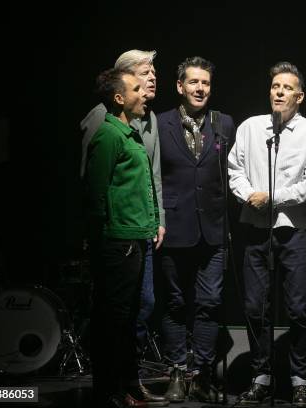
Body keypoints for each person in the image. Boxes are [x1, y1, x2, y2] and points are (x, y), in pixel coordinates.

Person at [228, 61, 306, 407]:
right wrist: (248, 195)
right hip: (256, 229)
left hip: (294, 231)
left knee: (298, 308)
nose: (279, 92)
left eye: (287, 88)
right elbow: (234, 169)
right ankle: (261, 375)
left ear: (300, 96)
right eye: (275, 87)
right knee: (256, 308)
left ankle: (300, 379)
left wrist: (272, 197)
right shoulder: (251, 127)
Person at [80, 50, 166, 386]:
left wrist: (158, 218)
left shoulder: (149, 117)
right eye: (145, 72)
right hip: (118, 234)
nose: (152, 78)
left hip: (141, 228)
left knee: (142, 304)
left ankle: (129, 374)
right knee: (117, 309)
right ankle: (114, 378)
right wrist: (98, 231)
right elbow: (92, 181)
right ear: (123, 83)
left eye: (154, 71)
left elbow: (152, 175)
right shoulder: (102, 120)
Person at [156, 56, 235, 403]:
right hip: (173, 229)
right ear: (180, 86)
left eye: (205, 82)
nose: (200, 88)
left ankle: (201, 374)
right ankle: (175, 371)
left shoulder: (224, 123)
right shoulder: (159, 124)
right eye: (193, 82)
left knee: (209, 304)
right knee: (174, 304)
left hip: (214, 230)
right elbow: (152, 177)